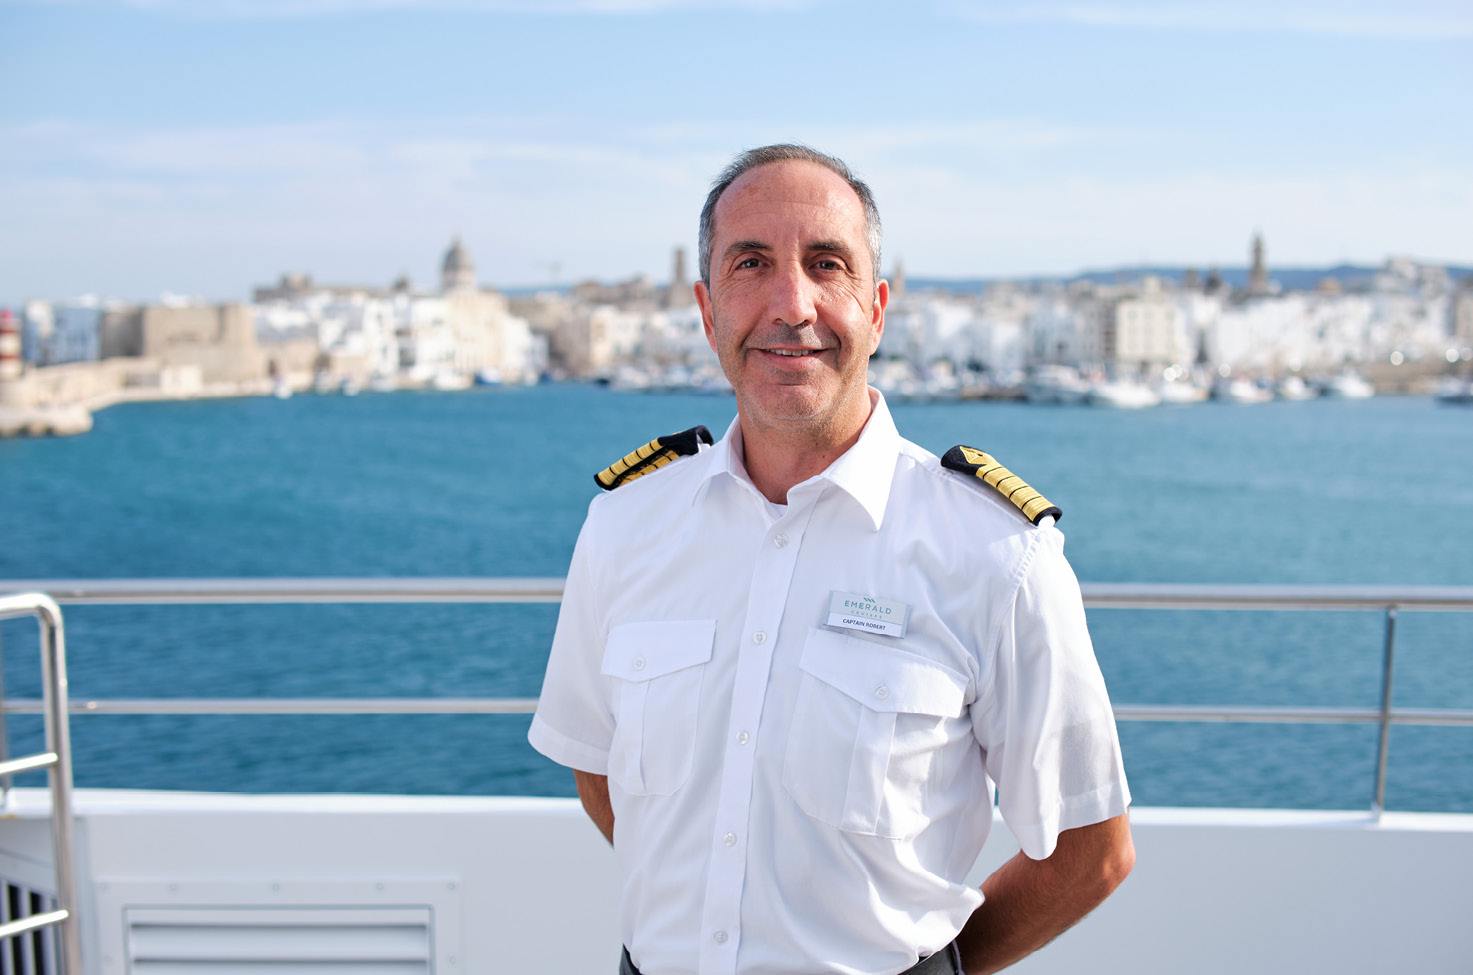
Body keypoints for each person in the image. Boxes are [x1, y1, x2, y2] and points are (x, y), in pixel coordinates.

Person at [529, 144, 1133, 975]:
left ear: (877, 309)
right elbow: (599, 771)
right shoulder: (625, 526)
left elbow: (1089, 851)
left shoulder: (997, 554)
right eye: (751, 264)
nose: (791, 303)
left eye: (826, 264)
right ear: (708, 313)